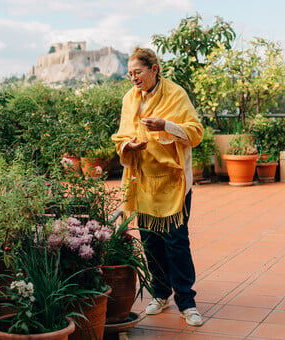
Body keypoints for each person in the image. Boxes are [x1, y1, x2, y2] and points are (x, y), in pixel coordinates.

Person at [111, 47, 204, 326]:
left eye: (137, 72)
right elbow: (121, 136)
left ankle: (187, 302)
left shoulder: (175, 94)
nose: (133, 78)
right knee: (150, 241)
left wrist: (166, 124)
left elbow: (195, 132)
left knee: (176, 241)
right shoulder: (130, 99)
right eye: (130, 74)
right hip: (142, 182)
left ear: (154, 69)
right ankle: (161, 294)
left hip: (172, 182)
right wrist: (130, 144)